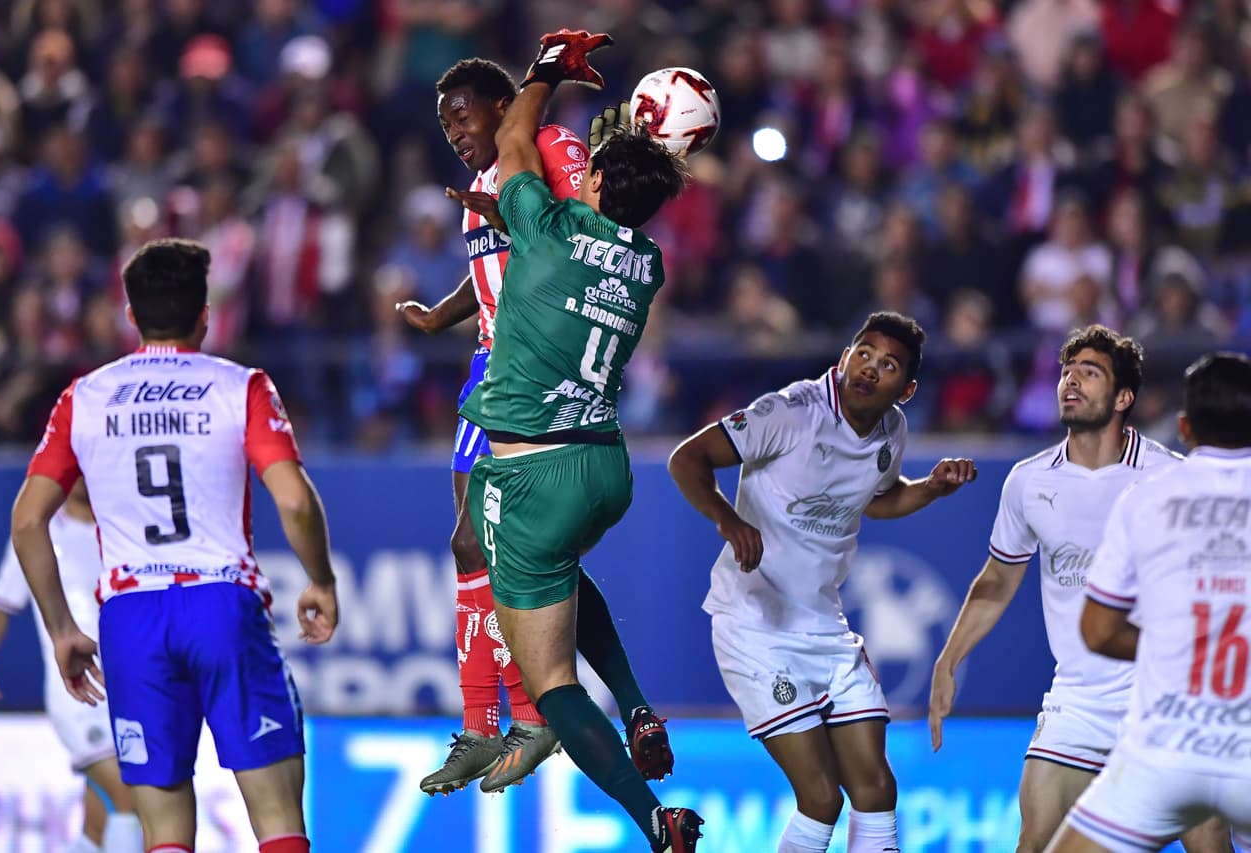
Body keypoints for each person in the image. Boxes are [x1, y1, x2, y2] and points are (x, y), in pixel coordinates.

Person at [10, 238, 338, 853]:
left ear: (129, 315)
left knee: (162, 833)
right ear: (205, 314)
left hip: (131, 617)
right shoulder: (241, 386)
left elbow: (28, 521)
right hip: (221, 605)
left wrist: (61, 630)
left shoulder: (83, 397)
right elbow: (294, 501)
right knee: (277, 818)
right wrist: (320, 578)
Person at [399, 57, 672, 794]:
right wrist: (440, 315)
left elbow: (574, 236)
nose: (456, 132)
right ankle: (486, 724)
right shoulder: (484, 187)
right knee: (494, 549)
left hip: (524, 375)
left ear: (504, 106)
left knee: (484, 542)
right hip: (493, 368)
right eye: (445, 123)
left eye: (465, 116)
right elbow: (500, 263)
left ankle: (524, 716)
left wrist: (546, 75)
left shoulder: (550, 148)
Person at [457, 29, 699, 852]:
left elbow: (514, 140)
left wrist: (546, 70)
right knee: (557, 571)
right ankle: (636, 704)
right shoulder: (648, 262)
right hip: (602, 463)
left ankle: (654, 819)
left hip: (533, 471)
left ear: (592, 178)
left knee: (550, 682)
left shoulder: (548, 227)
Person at [669, 311, 978, 853]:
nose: (870, 369)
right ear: (843, 358)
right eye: (864, 354)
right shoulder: (790, 412)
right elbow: (686, 458)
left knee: (877, 789)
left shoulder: (892, 430)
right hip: (755, 625)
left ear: (906, 390)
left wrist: (929, 488)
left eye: (888, 365)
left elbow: (878, 499)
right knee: (820, 798)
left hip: (824, 626)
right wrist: (728, 519)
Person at [928, 325, 1231, 853]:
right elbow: (996, 581)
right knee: (1035, 843)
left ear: (1123, 397)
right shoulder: (1029, 481)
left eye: (1090, 373)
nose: (1071, 381)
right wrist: (948, 660)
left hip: (1166, 699)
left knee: (1209, 845)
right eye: (1067, 371)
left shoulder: (1171, 478)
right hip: (1079, 702)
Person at [1047, 351, 1251, 853]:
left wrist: (1177, 646)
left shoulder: (1146, 498)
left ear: (1184, 427)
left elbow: (1097, 631)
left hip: (1166, 749)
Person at [0, 478, 144, 853]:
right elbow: (1, 605)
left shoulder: (123, 530)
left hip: (129, 690)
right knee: (131, 795)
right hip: (78, 693)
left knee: (98, 826)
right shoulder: (39, 532)